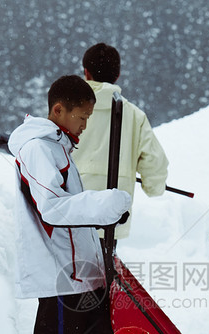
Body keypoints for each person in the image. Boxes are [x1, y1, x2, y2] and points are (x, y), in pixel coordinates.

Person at [7, 75, 136, 334]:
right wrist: (105, 205)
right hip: (62, 276)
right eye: (81, 117)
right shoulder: (38, 150)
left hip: (85, 272)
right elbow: (53, 208)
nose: (84, 125)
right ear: (58, 109)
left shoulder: (59, 147)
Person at [72, 43, 169, 240]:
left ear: (86, 72)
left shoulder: (66, 110)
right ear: (117, 76)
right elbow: (155, 162)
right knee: (103, 267)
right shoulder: (134, 116)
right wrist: (154, 187)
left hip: (69, 213)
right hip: (112, 219)